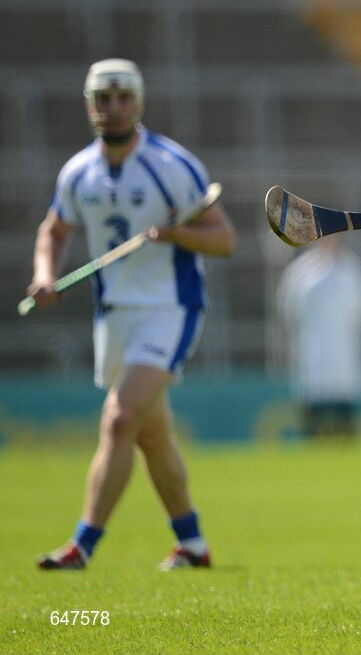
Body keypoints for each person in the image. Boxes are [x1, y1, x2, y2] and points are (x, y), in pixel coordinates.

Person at [27, 59, 236, 570]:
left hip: (169, 309)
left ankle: (82, 545)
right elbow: (54, 230)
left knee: (120, 421)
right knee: (149, 433)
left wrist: (176, 234)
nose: (113, 108)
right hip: (113, 316)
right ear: (90, 104)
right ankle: (192, 545)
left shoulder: (171, 165)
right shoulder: (79, 172)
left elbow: (224, 240)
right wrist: (44, 274)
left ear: (138, 102)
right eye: (103, 98)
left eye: (123, 97)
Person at [276, 236, 361, 438]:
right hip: (313, 353)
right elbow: (288, 309)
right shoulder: (300, 272)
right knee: (313, 415)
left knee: (345, 417)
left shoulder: (354, 271)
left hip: (346, 353)